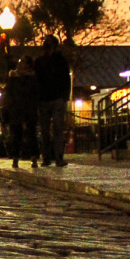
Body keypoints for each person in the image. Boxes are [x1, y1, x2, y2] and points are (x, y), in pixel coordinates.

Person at [34, 34, 72, 168]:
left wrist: (64, 96)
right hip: (44, 99)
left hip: (56, 98)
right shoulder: (39, 61)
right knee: (45, 131)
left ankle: (58, 157)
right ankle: (46, 157)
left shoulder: (61, 61)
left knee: (57, 129)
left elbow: (66, 80)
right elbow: (36, 80)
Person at [2, 57, 39, 169]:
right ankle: (15, 157)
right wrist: (7, 109)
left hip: (29, 109)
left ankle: (34, 157)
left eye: (23, 62)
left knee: (31, 134)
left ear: (28, 65)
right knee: (16, 135)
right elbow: (8, 94)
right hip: (16, 110)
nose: (20, 64)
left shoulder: (32, 77)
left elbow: (35, 93)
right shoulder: (13, 77)